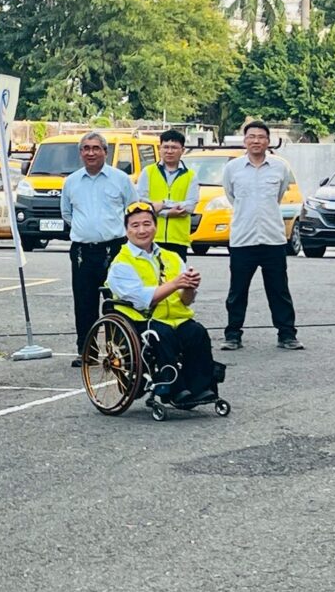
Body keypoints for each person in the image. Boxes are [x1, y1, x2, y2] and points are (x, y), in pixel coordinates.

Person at [107, 202, 218, 404]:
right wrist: (175, 283)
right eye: (135, 225)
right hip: (142, 319)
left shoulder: (172, 257)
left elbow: (186, 301)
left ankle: (200, 388)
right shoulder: (121, 263)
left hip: (175, 318)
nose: (142, 230)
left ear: (155, 226)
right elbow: (143, 300)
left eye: (147, 224)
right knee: (162, 335)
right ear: (126, 230)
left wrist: (190, 286)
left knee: (196, 332)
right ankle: (174, 389)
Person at [220, 120, 303, 351]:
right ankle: (233, 335)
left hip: (272, 239)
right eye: (251, 136)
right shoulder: (232, 168)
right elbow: (232, 196)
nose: (256, 141)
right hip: (242, 239)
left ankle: (287, 334)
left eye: (261, 137)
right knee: (237, 291)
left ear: (268, 141)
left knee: (279, 290)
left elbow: (278, 196)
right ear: (244, 140)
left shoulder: (280, 168)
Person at [61, 131, 137, 367]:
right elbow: (67, 214)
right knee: (84, 303)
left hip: (114, 250)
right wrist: (87, 231)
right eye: (86, 148)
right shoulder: (71, 181)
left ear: (105, 151)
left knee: (116, 302)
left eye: (96, 148)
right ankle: (87, 351)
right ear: (80, 153)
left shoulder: (120, 179)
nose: (91, 153)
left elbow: (132, 210)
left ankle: (120, 352)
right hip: (82, 252)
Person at [135, 129, 200, 260]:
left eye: (174, 147)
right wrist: (168, 212)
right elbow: (142, 203)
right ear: (160, 149)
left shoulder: (190, 176)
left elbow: (190, 206)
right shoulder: (148, 172)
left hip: (178, 239)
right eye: (166, 147)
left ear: (182, 150)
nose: (169, 151)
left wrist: (163, 204)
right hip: (151, 237)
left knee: (176, 273)